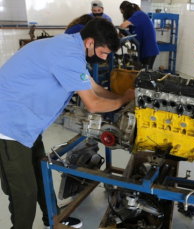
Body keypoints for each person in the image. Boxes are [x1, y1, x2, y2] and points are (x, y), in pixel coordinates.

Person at [0, 18, 135, 229]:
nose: (105, 57)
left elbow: (94, 88)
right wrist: (123, 100)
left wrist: (120, 98)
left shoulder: (71, 46)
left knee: (41, 175)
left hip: (28, 125)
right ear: (90, 42)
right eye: (103, 52)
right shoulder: (68, 54)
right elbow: (92, 103)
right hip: (8, 126)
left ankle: (52, 221)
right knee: (23, 192)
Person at [119, 1, 159, 69]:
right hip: (143, 50)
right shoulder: (134, 22)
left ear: (126, 10)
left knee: (146, 74)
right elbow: (129, 34)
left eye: (122, 12)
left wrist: (119, 34)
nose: (123, 15)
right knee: (141, 72)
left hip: (149, 49)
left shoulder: (139, 14)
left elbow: (122, 26)